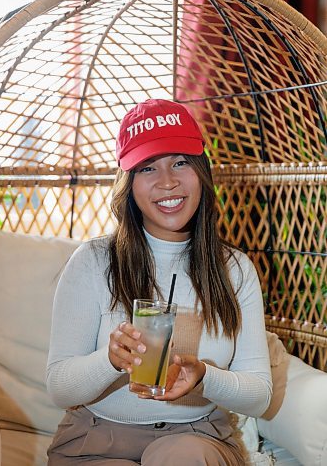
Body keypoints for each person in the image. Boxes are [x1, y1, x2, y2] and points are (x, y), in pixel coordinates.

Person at [46, 99, 272, 465]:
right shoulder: (92, 261)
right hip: (97, 437)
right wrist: (110, 359)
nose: (168, 182)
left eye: (180, 162)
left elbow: (259, 394)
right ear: (129, 185)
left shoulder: (235, 269)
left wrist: (203, 377)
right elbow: (59, 387)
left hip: (196, 436)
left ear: (201, 171)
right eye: (148, 168)